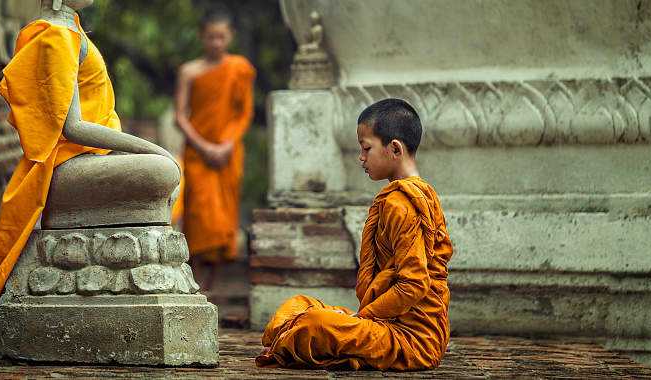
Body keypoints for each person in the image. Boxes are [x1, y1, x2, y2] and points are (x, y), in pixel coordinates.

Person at [0, 0, 179, 304]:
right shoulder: (55, 35)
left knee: (167, 171)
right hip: (67, 161)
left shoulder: (71, 26)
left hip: (91, 155)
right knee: (162, 170)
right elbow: (72, 128)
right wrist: (157, 150)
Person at [255, 98, 455, 371]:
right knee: (298, 305)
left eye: (366, 148)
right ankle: (290, 337)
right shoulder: (412, 194)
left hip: (412, 339)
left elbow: (413, 286)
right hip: (383, 324)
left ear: (394, 148)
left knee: (315, 325)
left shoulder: (403, 203)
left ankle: (290, 339)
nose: (361, 158)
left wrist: (363, 318)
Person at [174, 8, 255, 291]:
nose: (216, 43)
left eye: (221, 37)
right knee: (197, 215)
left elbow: (243, 113)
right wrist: (205, 146)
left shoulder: (239, 68)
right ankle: (192, 279)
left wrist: (226, 144)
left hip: (227, 152)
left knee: (223, 219)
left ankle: (212, 286)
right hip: (198, 152)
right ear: (202, 37)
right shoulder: (189, 71)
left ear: (229, 36)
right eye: (211, 37)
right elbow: (180, 116)